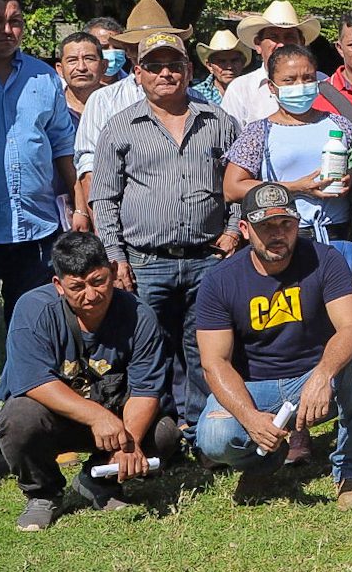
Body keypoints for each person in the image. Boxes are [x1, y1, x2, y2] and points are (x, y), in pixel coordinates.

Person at [193, 182, 352, 508]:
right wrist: (250, 417)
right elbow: (215, 363)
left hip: (313, 378)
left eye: (286, 224)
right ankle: (263, 462)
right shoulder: (219, 280)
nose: (277, 234)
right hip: (255, 387)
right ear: (245, 229)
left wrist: (322, 375)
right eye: (266, 226)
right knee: (213, 437)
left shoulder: (325, 259)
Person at [89, 30, 241, 429]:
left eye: (174, 65)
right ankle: (161, 426)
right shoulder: (120, 127)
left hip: (207, 256)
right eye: (154, 66)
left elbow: (239, 182)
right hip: (145, 260)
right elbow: (103, 198)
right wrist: (115, 257)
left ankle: (202, 425)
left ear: (188, 70)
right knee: (150, 345)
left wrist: (232, 230)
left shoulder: (219, 122)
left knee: (205, 345)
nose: (165, 74)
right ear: (138, 73)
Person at [0, 232, 175, 531]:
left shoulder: (140, 316)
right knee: (19, 417)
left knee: (164, 433)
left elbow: (146, 389)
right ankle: (43, 493)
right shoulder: (33, 309)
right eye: (77, 287)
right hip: (55, 418)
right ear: (58, 285)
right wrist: (97, 416)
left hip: (114, 419)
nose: (91, 295)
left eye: (98, 281)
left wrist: (128, 443)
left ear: (113, 272)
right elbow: (34, 381)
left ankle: (98, 480)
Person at [0, 0, 81, 418]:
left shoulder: (42, 76)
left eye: (15, 21)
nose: (8, 30)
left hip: (37, 227)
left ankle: (28, 412)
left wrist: (80, 206)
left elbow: (62, 145)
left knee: (33, 325)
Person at [223, 43, 352, 267]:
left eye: (307, 78)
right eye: (289, 80)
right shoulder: (259, 131)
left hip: (339, 239)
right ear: (272, 87)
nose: (300, 86)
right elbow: (232, 188)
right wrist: (296, 187)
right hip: (286, 243)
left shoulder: (339, 124)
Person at [71, 0, 185, 228]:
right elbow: (89, 167)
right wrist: (105, 232)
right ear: (130, 51)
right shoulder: (104, 101)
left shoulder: (199, 104)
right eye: (145, 44)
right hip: (128, 228)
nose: (155, 50)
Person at [221, 0, 323, 124]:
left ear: (301, 42)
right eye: (274, 37)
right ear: (258, 44)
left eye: (289, 37)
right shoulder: (240, 89)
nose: (281, 44)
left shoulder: (323, 84)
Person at [55, 30, 107, 127]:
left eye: (89, 59)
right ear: (60, 69)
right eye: (72, 60)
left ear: (104, 66)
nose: (81, 67)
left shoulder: (119, 103)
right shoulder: (51, 106)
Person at [191, 28, 249, 107]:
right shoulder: (196, 95)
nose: (229, 67)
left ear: (243, 62)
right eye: (222, 61)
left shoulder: (254, 91)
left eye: (234, 60)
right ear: (209, 66)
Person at [84, 16, 126, 82]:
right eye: (103, 47)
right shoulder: (71, 84)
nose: (112, 52)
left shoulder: (135, 84)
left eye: (117, 47)